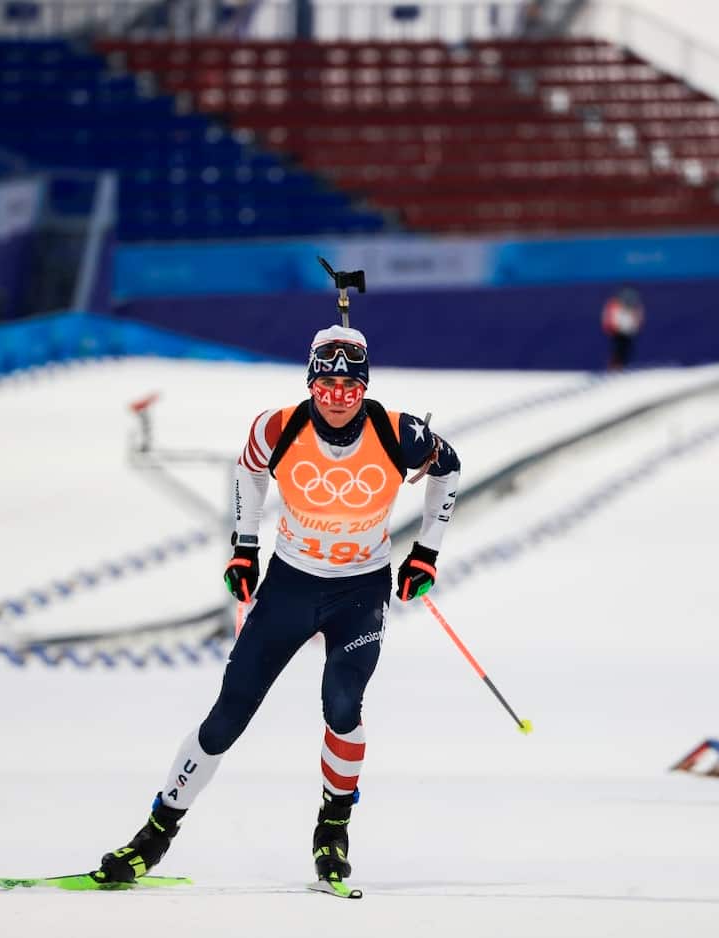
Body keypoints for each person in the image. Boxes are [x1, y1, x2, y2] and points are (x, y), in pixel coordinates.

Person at [90, 322, 461, 895]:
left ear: (364, 387)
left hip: (359, 592)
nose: (338, 398)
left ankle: (332, 829)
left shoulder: (400, 433)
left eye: (350, 388)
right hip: (291, 585)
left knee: (343, 704)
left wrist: (427, 554)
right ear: (311, 383)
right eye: (327, 386)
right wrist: (244, 549)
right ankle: (154, 836)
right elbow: (248, 471)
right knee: (228, 713)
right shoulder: (277, 428)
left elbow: (449, 468)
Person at [600, 286, 644, 371]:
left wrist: (634, 328)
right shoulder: (614, 304)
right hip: (617, 331)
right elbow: (609, 317)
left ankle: (620, 368)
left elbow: (637, 317)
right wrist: (611, 328)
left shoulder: (634, 306)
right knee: (619, 350)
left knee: (626, 351)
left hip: (627, 331)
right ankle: (614, 368)